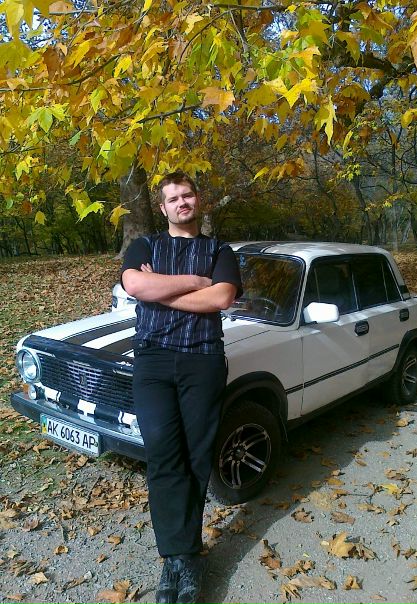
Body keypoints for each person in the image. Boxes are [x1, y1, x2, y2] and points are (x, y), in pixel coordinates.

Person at [121, 172, 242, 604]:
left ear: (198, 199)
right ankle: (180, 553)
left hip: (202, 360)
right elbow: (135, 284)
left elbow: (221, 298)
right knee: (162, 452)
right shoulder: (145, 246)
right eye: (172, 198)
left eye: (187, 195)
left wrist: (161, 289)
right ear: (163, 208)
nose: (181, 203)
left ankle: (183, 559)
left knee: (196, 457)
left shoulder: (220, 250)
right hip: (152, 360)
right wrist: (195, 281)